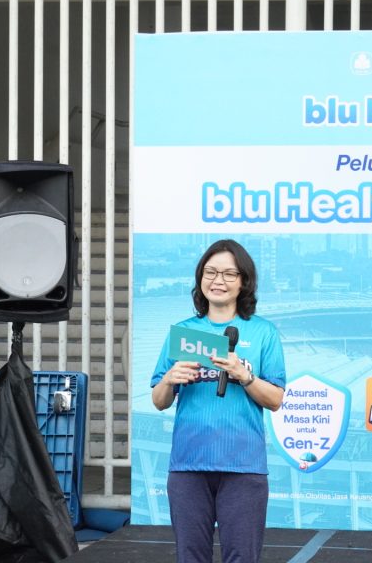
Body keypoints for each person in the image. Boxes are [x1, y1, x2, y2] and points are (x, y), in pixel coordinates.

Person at [151, 238, 286, 563]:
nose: (218, 280)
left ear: (243, 281)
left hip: (243, 466)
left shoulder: (263, 332)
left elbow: (276, 399)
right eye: (210, 272)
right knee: (191, 557)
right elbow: (159, 400)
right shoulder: (183, 332)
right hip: (188, 464)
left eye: (229, 274)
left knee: (242, 557)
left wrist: (244, 375)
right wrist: (170, 379)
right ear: (200, 278)